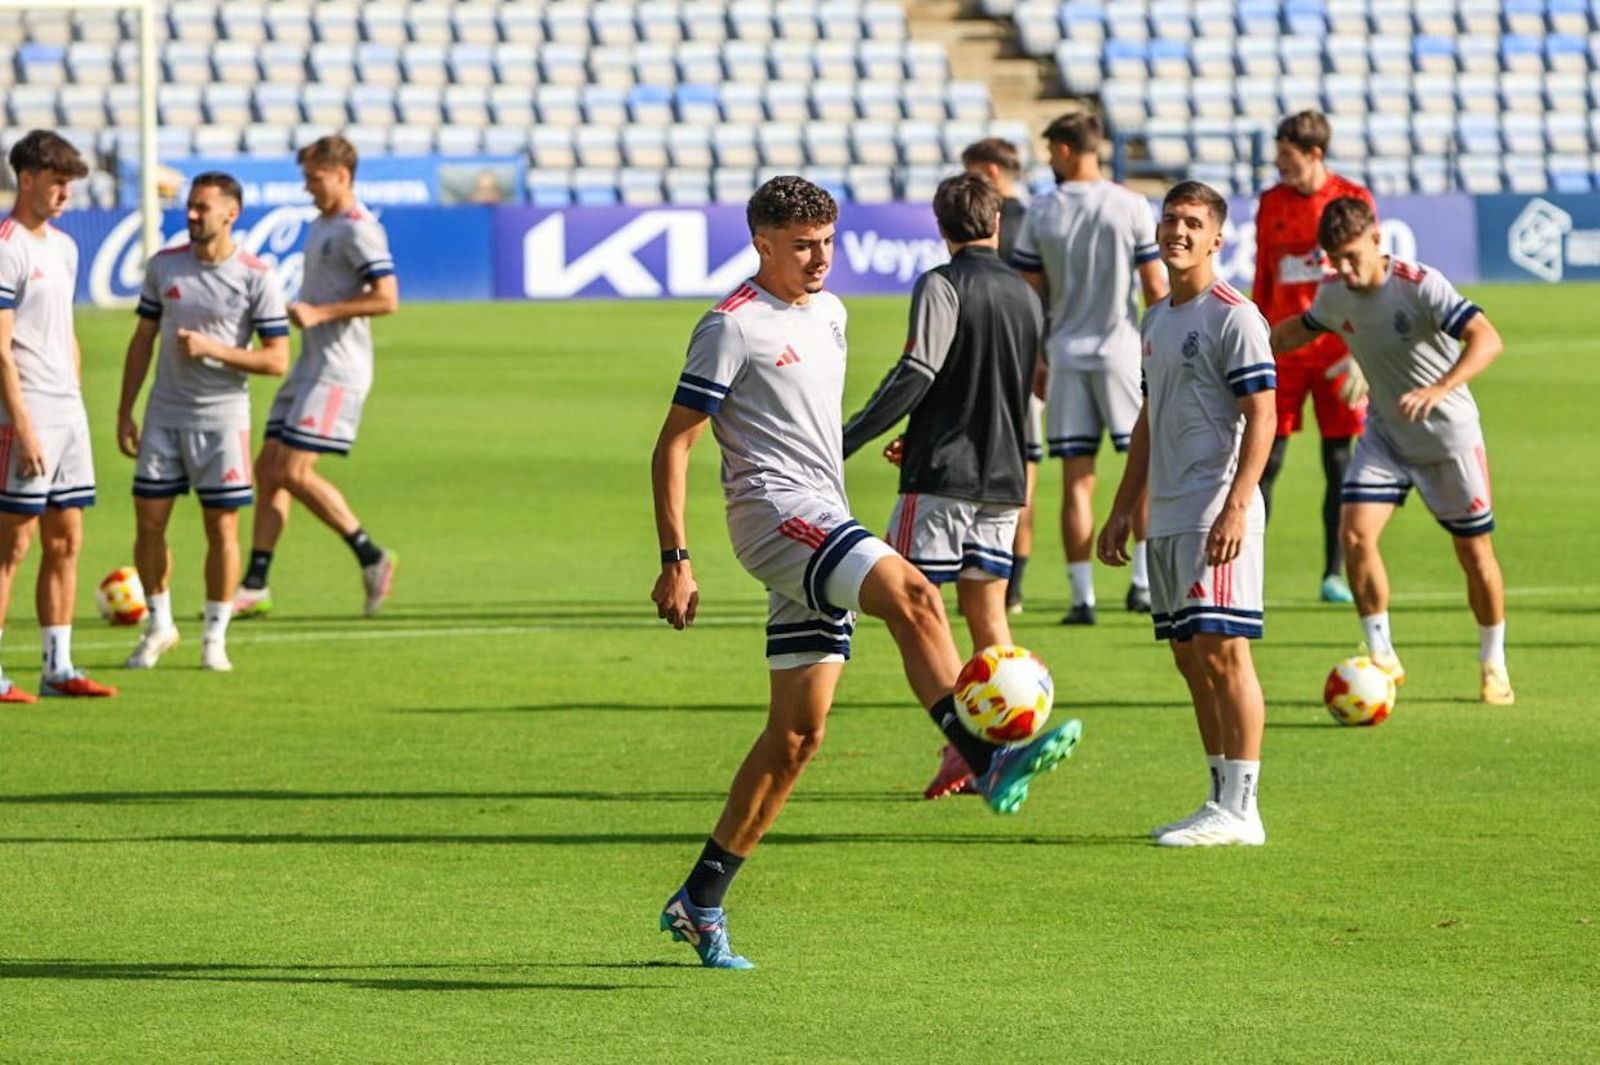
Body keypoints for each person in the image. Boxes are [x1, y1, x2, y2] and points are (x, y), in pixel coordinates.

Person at [650, 177, 1080, 969]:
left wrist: (898, 444)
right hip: (774, 517)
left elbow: (807, 422)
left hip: (817, 512)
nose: (821, 259)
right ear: (763, 244)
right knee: (915, 592)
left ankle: (700, 897)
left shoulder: (834, 313)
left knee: (798, 736)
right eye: (803, 246)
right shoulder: (730, 326)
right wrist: (676, 557)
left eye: (828, 242)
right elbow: (673, 443)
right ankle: (985, 755)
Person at [840, 173, 1045, 801]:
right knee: (986, 614)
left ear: (940, 226)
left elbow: (917, 372)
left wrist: (845, 438)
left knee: (913, 610)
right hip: (1005, 477)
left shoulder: (941, 284)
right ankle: (1006, 736)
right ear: (998, 223)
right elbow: (1004, 386)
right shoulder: (1027, 295)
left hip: (944, 479)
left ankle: (973, 749)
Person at [1269, 197, 1514, 705]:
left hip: (1448, 437)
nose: (1343, 268)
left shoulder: (1420, 284)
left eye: (1352, 255)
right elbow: (1302, 329)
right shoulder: (1335, 292)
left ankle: (1494, 661)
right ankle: (1382, 655)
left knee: (1475, 556)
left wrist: (1439, 389)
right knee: (1354, 536)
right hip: (1386, 436)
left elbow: (1487, 340)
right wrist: (1249, 346)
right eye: (1335, 257)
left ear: (1377, 240)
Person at [1098, 181, 1275, 847]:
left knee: (1225, 655)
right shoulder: (1157, 318)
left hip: (1215, 513)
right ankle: (1217, 797)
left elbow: (1264, 414)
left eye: (1192, 223)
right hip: (1168, 516)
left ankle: (1244, 808)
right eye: (1171, 220)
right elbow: (1148, 419)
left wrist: (1235, 505)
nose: (1177, 232)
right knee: (1190, 660)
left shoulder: (1234, 316)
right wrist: (1123, 507)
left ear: (1217, 237)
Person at [116, 172, 290, 671]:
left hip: (223, 420)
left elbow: (277, 360)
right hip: (163, 414)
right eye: (189, 206)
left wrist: (214, 349)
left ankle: (215, 635)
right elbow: (142, 340)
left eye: (201, 208)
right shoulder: (164, 266)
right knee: (148, 523)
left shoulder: (257, 276)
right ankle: (159, 623)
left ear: (230, 214)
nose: (191, 215)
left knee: (223, 528)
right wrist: (125, 409)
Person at [233, 135, 398, 619]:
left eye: (314, 177)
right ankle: (256, 584)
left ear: (342, 175)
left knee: (292, 471)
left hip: (337, 369)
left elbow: (387, 297)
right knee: (268, 469)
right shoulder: (323, 223)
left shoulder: (358, 229)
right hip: (310, 363)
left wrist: (321, 313)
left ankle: (371, 555)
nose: (307, 187)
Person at [1012, 113, 1167, 625]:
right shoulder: (1130, 206)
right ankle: (1142, 584)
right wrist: (1161, 349)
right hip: (1122, 351)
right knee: (1140, 470)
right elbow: (1155, 288)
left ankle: (1083, 598)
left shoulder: (1043, 209)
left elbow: (1030, 295)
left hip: (1066, 354)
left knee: (1077, 478)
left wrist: (1036, 356)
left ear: (1063, 149)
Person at [0, 130, 116, 699]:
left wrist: (74, 397)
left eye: (71, 183)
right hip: (23, 413)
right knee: (12, 544)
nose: (66, 193)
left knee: (66, 538)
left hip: (67, 411)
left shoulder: (65, 247)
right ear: (26, 179)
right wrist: (21, 425)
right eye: (57, 181)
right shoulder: (6, 244)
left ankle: (59, 667)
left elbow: (63, 330)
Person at [1252, 111, 1376, 605]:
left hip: (1336, 350)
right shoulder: (1271, 202)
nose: (1280, 165)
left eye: (1288, 157)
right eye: (1278, 155)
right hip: (1284, 347)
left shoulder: (1353, 200)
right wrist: (1256, 336)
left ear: (1315, 155)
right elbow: (1264, 273)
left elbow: (1368, 279)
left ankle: (1334, 573)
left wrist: (1363, 352)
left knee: (1339, 461)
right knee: (1266, 459)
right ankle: (1247, 569)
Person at [961, 137, 1043, 614]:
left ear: (991, 171)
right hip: (1026, 362)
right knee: (1021, 473)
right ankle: (1010, 586)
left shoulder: (983, 224)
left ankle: (978, 577)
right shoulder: (1037, 219)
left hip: (980, 364)